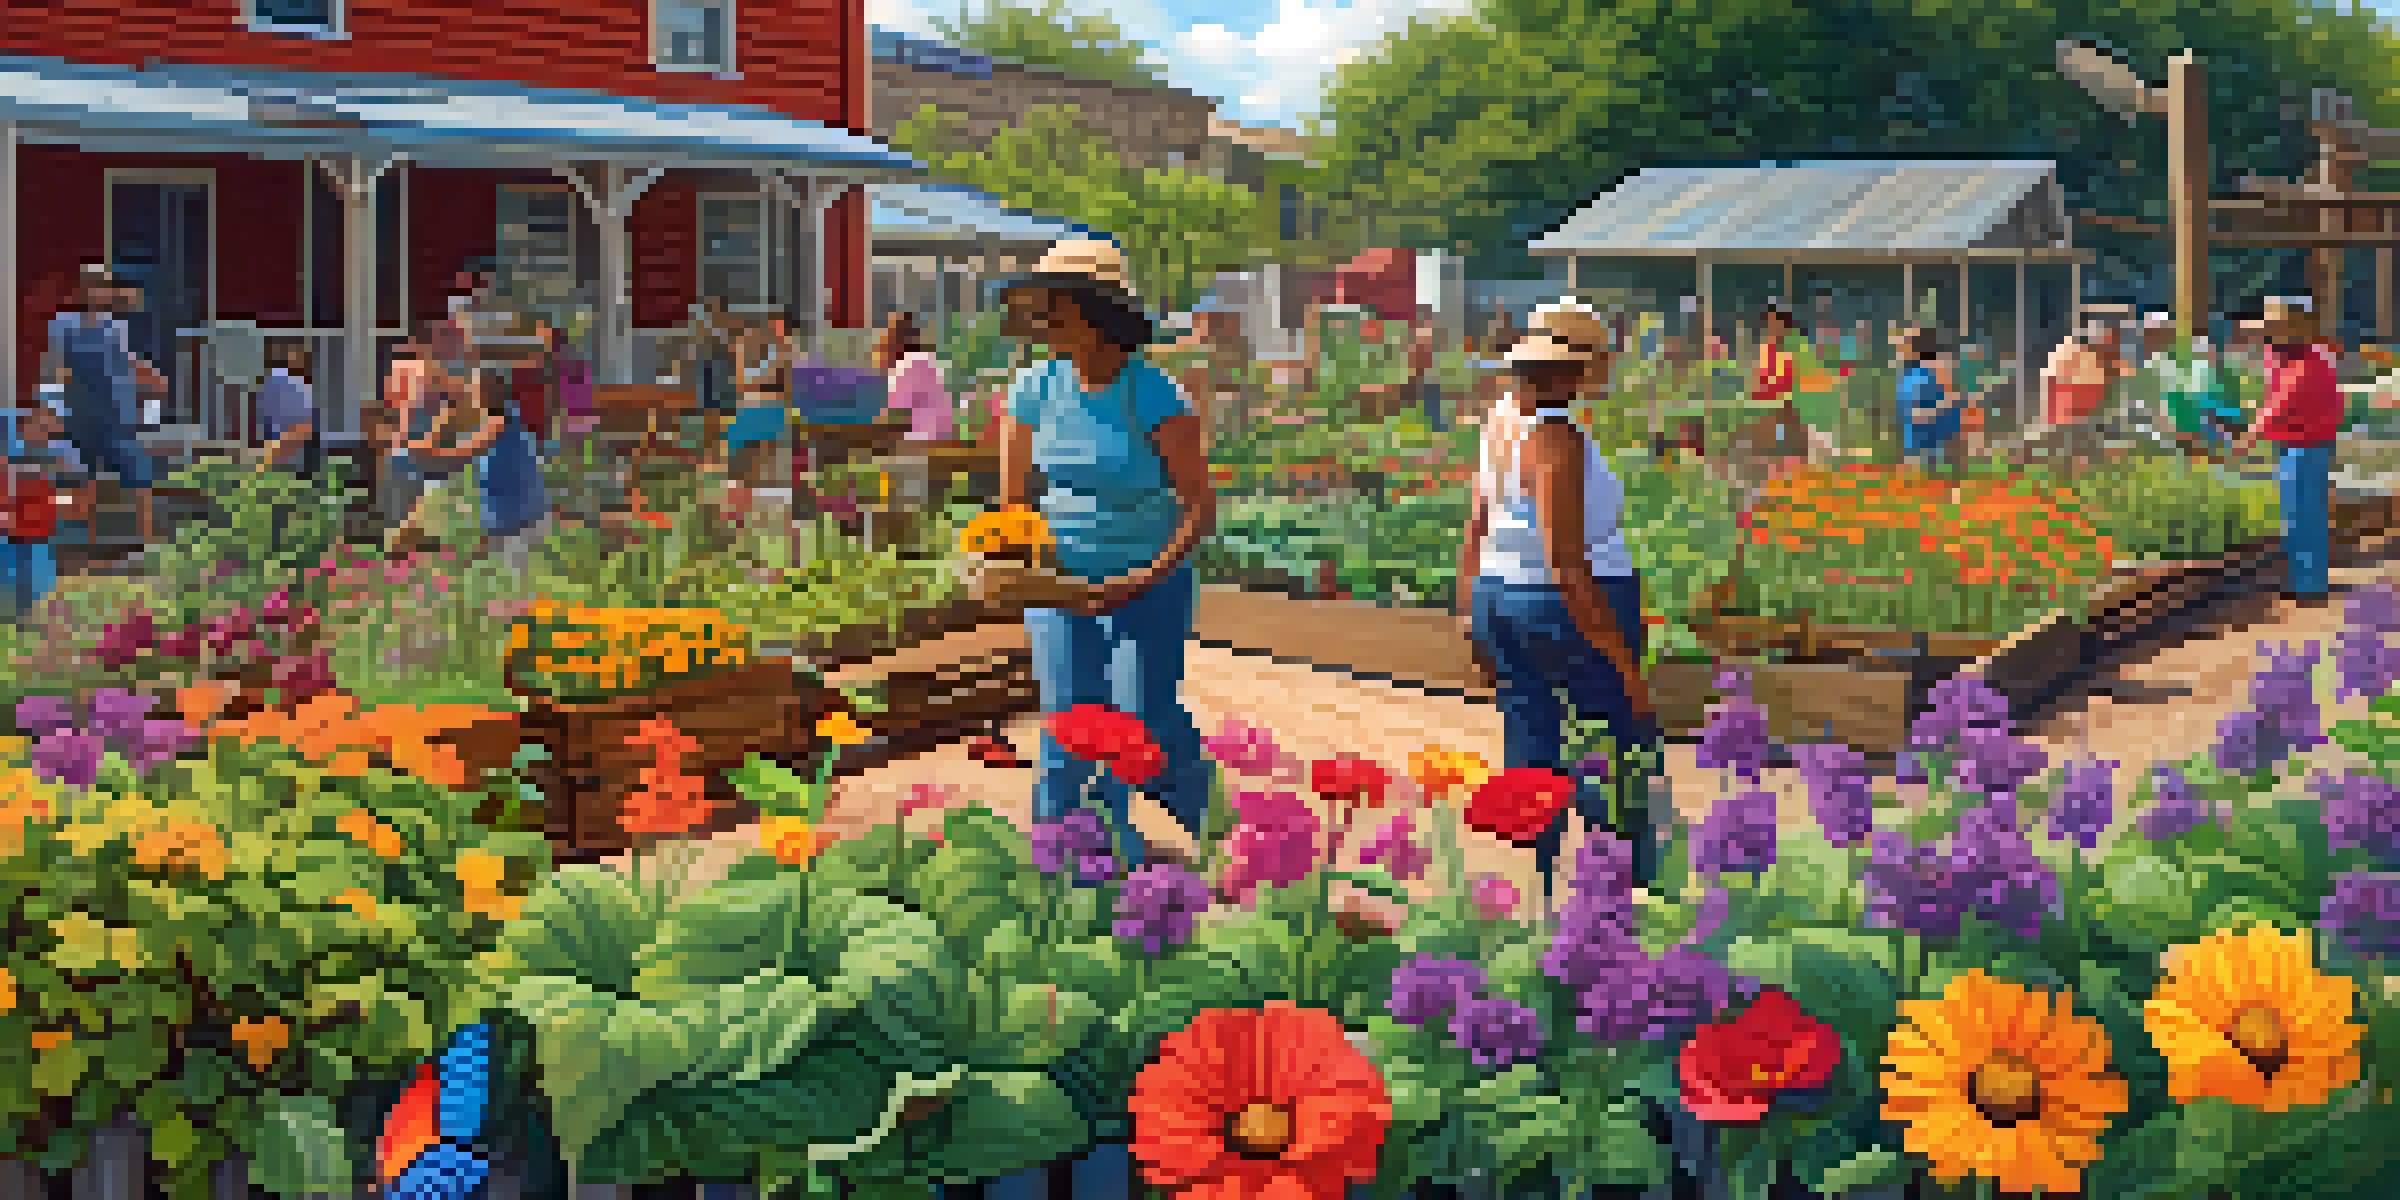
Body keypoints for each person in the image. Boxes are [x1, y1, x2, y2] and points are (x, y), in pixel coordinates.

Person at [987, 238, 1218, 870]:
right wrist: (1013, 564)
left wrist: (1140, 577)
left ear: (1098, 314)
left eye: (1055, 309)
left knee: (1144, 720)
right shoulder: (1033, 388)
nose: (1043, 323)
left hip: (1148, 581)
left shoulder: (1156, 396)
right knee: (1069, 721)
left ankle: (1224, 829)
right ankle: (1073, 855)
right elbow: (1015, 502)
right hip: (1059, 586)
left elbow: (1199, 508)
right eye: (1041, 311)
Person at [1458, 297, 1661, 897]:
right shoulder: (1556, 437)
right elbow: (1567, 562)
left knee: (1532, 739)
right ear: (1569, 371)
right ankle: (1624, 889)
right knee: (1613, 746)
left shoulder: (1500, 419)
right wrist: (1627, 666)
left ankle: (1538, 883)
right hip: (1562, 604)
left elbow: (1477, 523)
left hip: (1501, 594)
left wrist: (1474, 611)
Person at [403, 321, 551, 571]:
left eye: (476, 387)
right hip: (510, 524)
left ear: (491, 390)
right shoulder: (496, 418)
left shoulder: (497, 422)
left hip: (520, 528)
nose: (472, 392)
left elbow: (456, 457)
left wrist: (422, 455)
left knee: (511, 597)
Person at [2229, 297, 2345, 608]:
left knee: (2304, 516)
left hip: (2308, 446)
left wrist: (2249, 435)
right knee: (2298, 516)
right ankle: (2304, 581)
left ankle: (2310, 585)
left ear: (2298, 329)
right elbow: (2273, 395)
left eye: (2277, 327)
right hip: (2295, 444)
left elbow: (2281, 402)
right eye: (2270, 327)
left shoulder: (2310, 362)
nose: (2270, 333)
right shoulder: (2282, 354)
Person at [43, 264, 164, 555]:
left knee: (139, 476)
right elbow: (55, 369)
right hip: (82, 415)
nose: (101, 291)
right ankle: (90, 545)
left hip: (118, 416)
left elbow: (125, 364)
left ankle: (148, 543)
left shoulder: (116, 327)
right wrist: (53, 408)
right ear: (84, 289)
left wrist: (149, 382)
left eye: (106, 285)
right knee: (87, 480)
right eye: (96, 285)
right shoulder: (64, 325)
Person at [0, 393, 90, 623]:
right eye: (38, 423)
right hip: (16, 541)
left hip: (36, 539)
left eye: (48, 425)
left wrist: (55, 502)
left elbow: (78, 501)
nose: (44, 430)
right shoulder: (12, 454)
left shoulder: (60, 455)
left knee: (35, 604)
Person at [875, 311, 954, 441]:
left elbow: (896, 415)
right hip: (943, 434)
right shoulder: (928, 360)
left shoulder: (905, 366)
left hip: (920, 439)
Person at [255, 339, 321, 477]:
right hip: (282, 432)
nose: (300, 359)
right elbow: (270, 410)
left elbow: (308, 411)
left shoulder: (303, 382)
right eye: (297, 355)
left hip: (297, 433)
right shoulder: (278, 379)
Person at [1897, 326, 1959, 471]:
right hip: (1927, 433)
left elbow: (1906, 407)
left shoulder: (1912, 374)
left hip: (1923, 435)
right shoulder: (1924, 374)